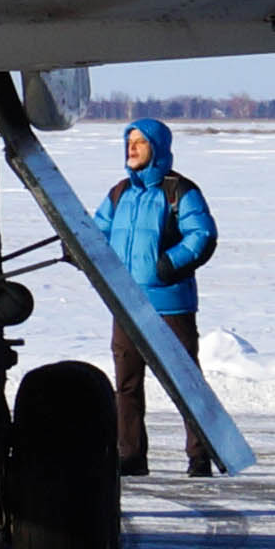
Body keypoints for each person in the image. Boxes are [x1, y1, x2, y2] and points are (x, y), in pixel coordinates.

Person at [95, 114, 223, 473]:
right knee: (127, 385)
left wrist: (167, 265)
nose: (132, 148)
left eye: (140, 142)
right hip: (126, 304)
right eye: (129, 142)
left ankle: (200, 455)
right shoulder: (120, 193)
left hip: (170, 304)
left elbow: (202, 236)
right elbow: (95, 232)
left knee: (186, 382)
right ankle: (131, 456)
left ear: (158, 147)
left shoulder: (179, 190)